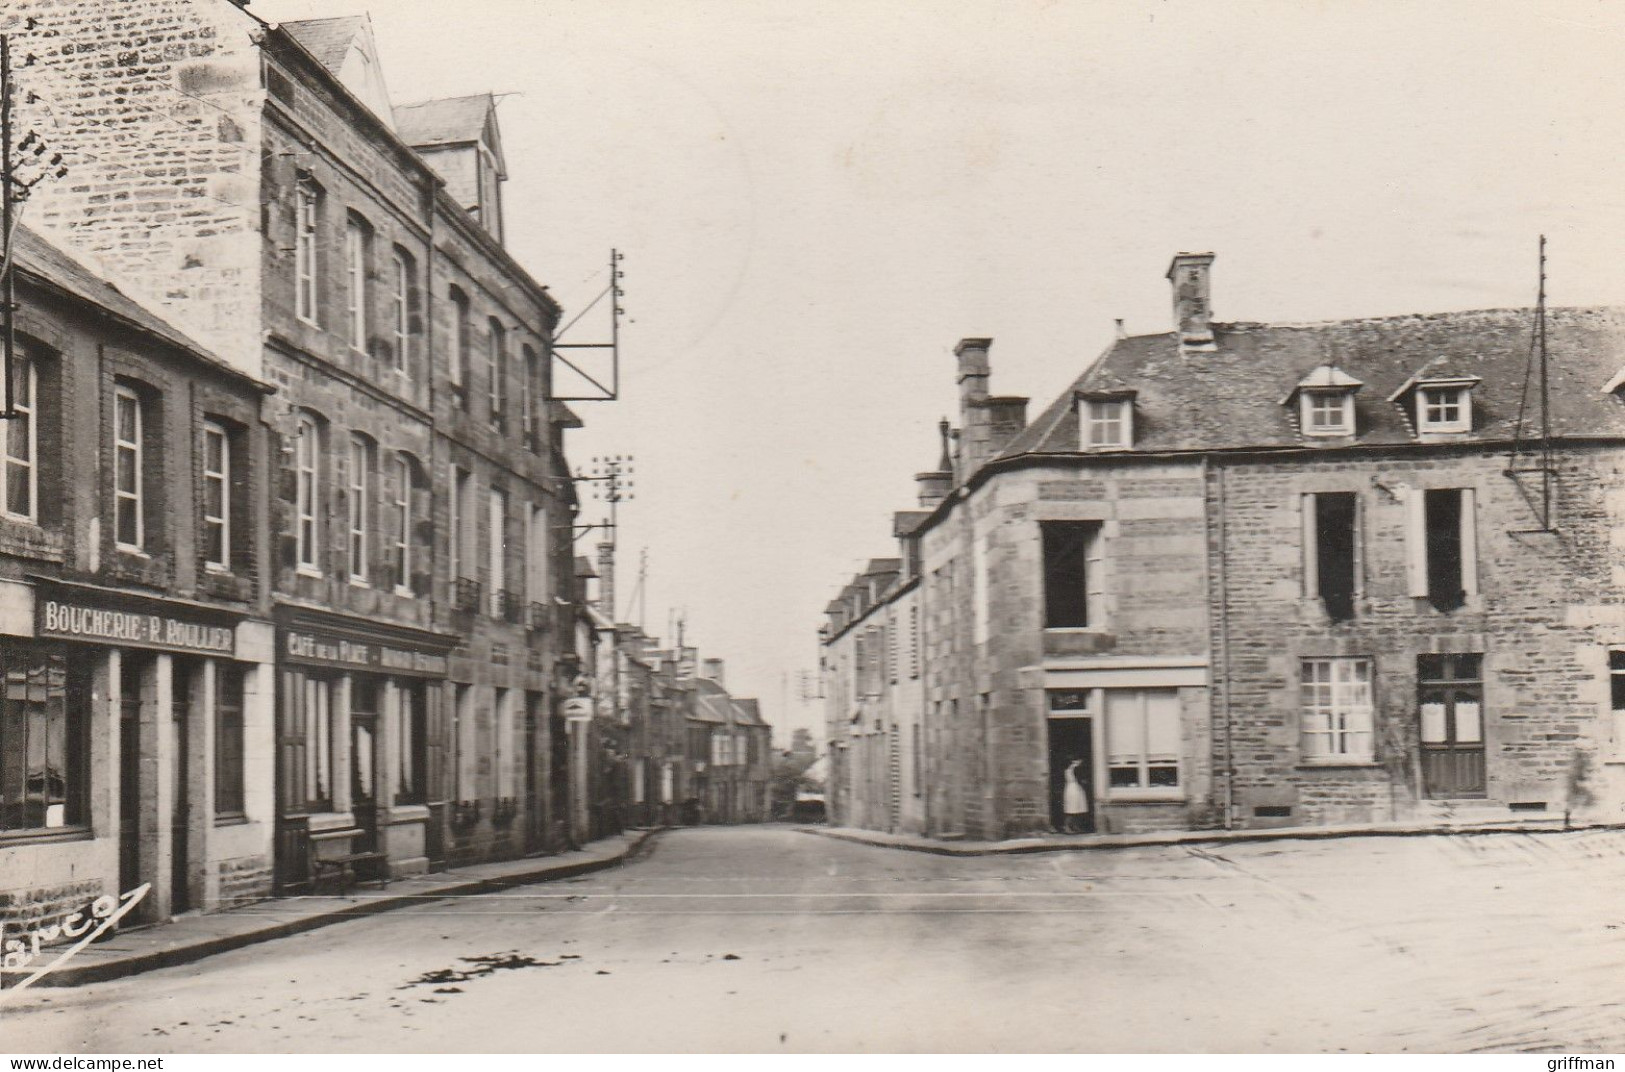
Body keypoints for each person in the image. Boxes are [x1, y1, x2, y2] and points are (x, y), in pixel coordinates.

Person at [1062, 758, 1090, 834]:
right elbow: (1079, 779)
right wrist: (1084, 783)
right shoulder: (1076, 768)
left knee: (1074, 809)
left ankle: (1074, 827)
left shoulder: (1068, 768)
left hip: (1070, 788)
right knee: (1073, 809)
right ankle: (1067, 827)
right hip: (1075, 788)